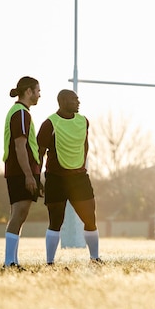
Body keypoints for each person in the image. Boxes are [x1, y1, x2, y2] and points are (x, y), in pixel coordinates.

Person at [37, 89, 101, 265]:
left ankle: (95, 258)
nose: (78, 102)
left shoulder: (83, 121)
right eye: (74, 99)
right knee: (56, 221)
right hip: (55, 178)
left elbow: (85, 145)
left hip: (79, 178)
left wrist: (80, 167)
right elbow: (40, 153)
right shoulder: (49, 124)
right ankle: (50, 262)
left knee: (90, 219)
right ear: (63, 101)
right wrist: (36, 178)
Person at [3, 76, 42, 268]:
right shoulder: (21, 113)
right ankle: (9, 262)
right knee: (19, 214)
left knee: (19, 215)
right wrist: (28, 175)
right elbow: (20, 146)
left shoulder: (20, 112)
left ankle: (13, 261)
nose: (39, 95)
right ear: (29, 92)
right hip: (20, 172)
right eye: (38, 90)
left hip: (20, 171)